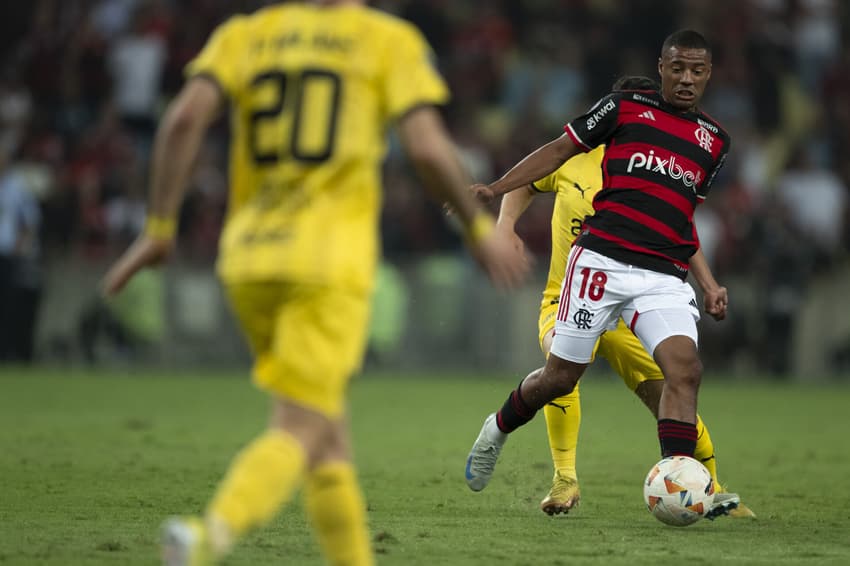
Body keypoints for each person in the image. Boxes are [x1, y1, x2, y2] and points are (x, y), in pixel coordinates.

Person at [102, 2, 528, 565]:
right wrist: (478, 229)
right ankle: (205, 540)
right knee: (301, 427)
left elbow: (182, 120)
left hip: (248, 260)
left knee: (329, 438)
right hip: (327, 265)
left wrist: (159, 227)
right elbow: (426, 147)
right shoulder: (384, 40)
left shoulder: (245, 35)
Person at [464, 30, 740, 519]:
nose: (686, 79)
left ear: (709, 74)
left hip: (662, 275)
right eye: (678, 68)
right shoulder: (623, 111)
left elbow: (682, 216)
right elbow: (554, 150)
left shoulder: (713, 142)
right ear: (661, 67)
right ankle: (499, 427)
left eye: (697, 70)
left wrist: (709, 282)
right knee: (559, 377)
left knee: (684, 372)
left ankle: (682, 485)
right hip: (601, 263)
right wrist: (496, 190)